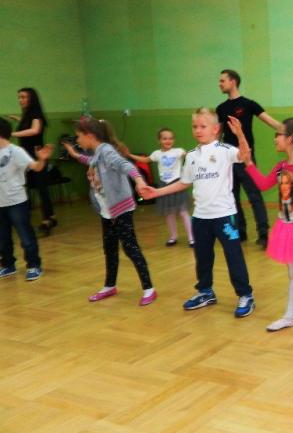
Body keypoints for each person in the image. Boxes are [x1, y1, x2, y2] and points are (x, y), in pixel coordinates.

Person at [141, 108, 255, 317]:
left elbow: (244, 156)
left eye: (203, 126)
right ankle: (205, 292)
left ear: (215, 129)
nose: (198, 130)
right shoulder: (192, 156)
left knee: (233, 256)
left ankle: (245, 294)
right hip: (200, 217)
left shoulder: (225, 150)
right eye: (195, 126)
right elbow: (184, 182)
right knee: (202, 257)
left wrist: (240, 134)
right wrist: (157, 192)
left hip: (224, 216)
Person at [229, 116, 293, 343]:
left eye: (279, 134)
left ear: (292, 139)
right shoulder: (281, 167)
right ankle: (290, 316)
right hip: (287, 227)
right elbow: (263, 184)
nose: (275, 138)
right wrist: (248, 163)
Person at [63, 118, 157, 306]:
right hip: (107, 210)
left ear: (90, 136)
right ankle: (109, 285)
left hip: (120, 209)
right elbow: (90, 161)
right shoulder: (97, 153)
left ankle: (149, 288)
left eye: (79, 136)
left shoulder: (106, 151)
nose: (77, 140)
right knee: (110, 248)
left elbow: (125, 165)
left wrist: (139, 180)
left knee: (130, 248)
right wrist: (74, 154)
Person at [215, 69, 281, 247]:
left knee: (254, 196)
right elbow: (217, 134)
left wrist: (291, 130)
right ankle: (240, 231)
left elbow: (271, 122)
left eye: (222, 81)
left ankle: (263, 233)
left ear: (233, 81)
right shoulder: (221, 109)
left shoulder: (249, 104)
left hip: (246, 160)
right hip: (228, 161)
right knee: (232, 197)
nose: (220, 84)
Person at [0, 117, 51, 280]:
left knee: (26, 236)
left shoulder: (16, 151)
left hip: (17, 202)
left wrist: (41, 159)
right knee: (2, 238)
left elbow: (36, 167)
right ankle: (8, 265)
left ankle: (34, 265)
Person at [127, 128, 194, 247]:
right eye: (165, 138)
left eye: (170, 138)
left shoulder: (178, 151)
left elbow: (190, 155)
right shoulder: (156, 154)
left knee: (183, 212)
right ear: (159, 140)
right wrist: (129, 155)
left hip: (177, 184)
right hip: (164, 186)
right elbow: (145, 160)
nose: (168, 141)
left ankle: (191, 238)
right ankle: (173, 237)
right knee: (169, 213)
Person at [10, 88, 56, 235]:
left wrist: (12, 133)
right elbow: (29, 125)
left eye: (23, 97)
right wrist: (18, 119)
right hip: (26, 157)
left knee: (42, 188)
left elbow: (35, 130)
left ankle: (48, 219)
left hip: (37, 156)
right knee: (29, 187)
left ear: (31, 99)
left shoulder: (36, 114)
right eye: (19, 97)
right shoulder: (28, 115)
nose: (20, 100)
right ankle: (48, 217)